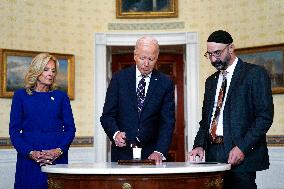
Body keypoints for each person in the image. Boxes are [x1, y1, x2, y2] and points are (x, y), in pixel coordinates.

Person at [187, 30, 274, 189]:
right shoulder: (211, 81)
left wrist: (242, 147)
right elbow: (206, 120)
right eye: (209, 54)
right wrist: (199, 145)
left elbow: (264, 117)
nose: (213, 59)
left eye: (217, 53)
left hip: (241, 154)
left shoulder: (254, 74)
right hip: (212, 154)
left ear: (231, 48)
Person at [100, 36, 175, 164]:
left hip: (152, 153)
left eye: (151, 59)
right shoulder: (119, 79)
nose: (146, 64)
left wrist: (160, 151)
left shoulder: (165, 82)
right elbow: (107, 116)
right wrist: (115, 134)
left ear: (157, 58)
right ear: (135, 56)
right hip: (122, 152)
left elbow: (167, 122)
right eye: (142, 58)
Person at [9, 53, 76, 189]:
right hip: (29, 159)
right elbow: (14, 131)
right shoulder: (20, 96)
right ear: (36, 70)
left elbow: (70, 129)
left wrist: (58, 151)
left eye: (53, 70)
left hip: (57, 159)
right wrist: (30, 153)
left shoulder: (61, 97)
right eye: (46, 70)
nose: (50, 74)